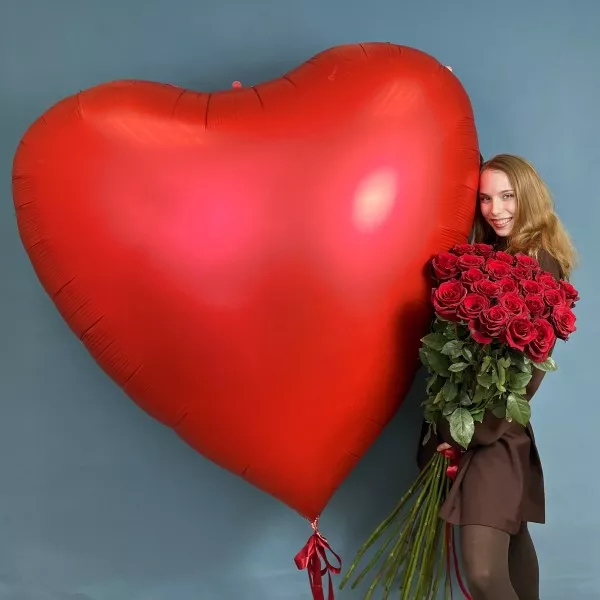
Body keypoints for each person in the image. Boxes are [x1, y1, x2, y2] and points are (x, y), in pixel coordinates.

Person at [416, 154, 577, 600]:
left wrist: (461, 433)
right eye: (485, 199)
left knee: (485, 573)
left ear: (530, 197)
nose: (496, 210)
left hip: (493, 434)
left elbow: (526, 374)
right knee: (513, 551)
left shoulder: (539, 263)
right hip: (488, 430)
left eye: (508, 196)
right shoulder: (493, 257)